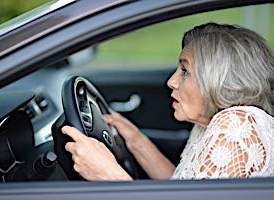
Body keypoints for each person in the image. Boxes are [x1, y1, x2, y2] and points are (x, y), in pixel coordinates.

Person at [61, 22, 274, 181]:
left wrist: (108, 174)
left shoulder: (235, 127)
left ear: (218, 80)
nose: (172, 82)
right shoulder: (213, 122)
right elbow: (181, 186)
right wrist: (135, 140)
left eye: (184, 71)